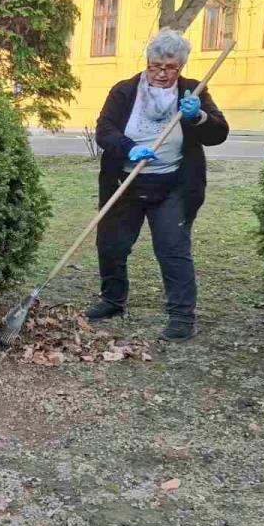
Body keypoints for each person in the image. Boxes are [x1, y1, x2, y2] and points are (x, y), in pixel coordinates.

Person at [88, 29, 229, 341]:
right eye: (155, 66)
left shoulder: (193, 91)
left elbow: (219, 133)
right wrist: (128, 147)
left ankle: (181, 316)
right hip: (125, 182)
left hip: (173, 186)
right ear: (147, 63)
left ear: (180, 67)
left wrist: (199, 117)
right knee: (111, 244)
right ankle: (112, 301)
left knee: (172, 248)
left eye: (170, 67)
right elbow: (104, 131)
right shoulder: (124, 91)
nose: (162, 73)